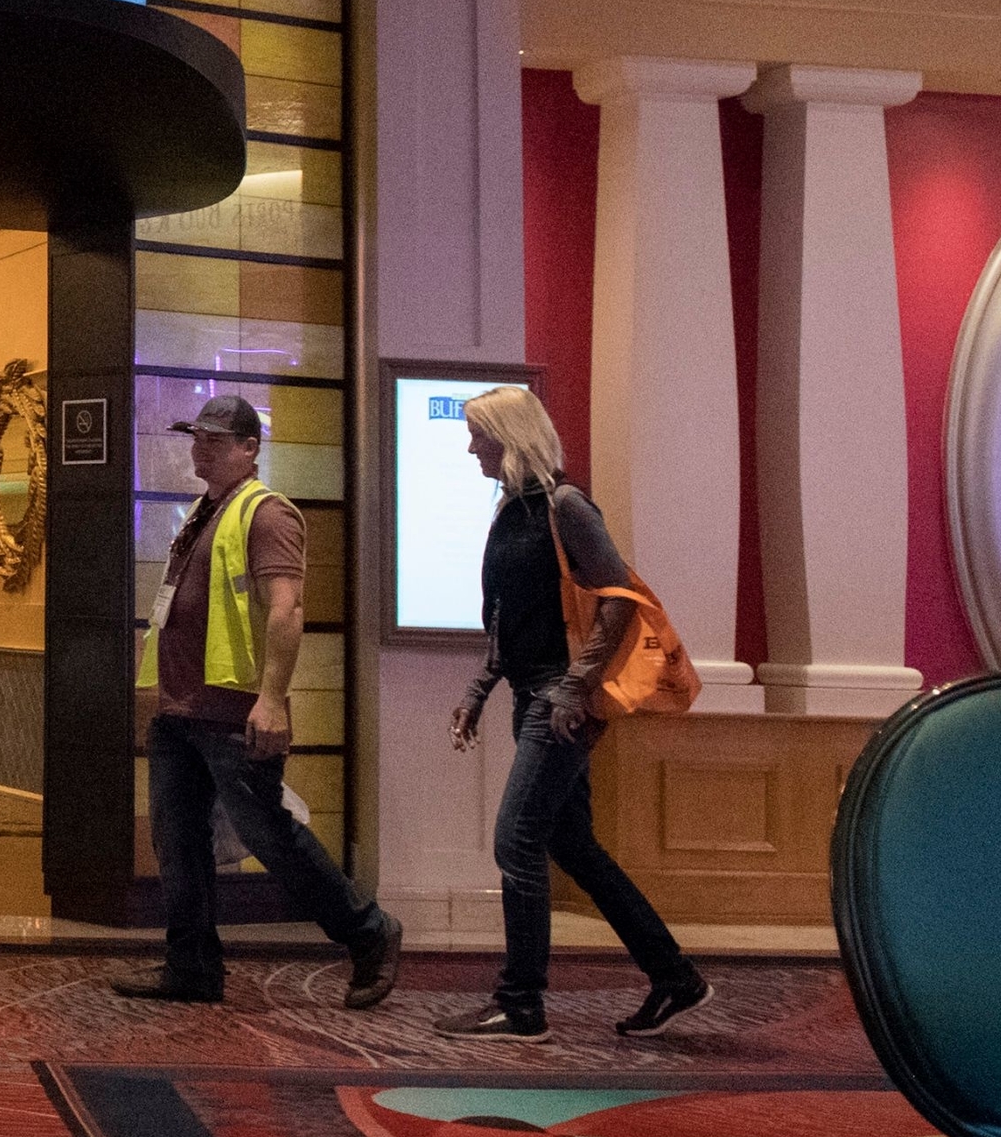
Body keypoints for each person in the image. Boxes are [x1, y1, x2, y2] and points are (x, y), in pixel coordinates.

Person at [115, 394, 404, 1009]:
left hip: (233, 710)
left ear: (250, 449)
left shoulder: (266, 514)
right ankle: (191, 966)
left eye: (216, 440)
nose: (201, 448)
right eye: (197, 437)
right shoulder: (203, 511)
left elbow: (287, 608)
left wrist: (271, 700)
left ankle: (369, 933)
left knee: (270, 836)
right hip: (181, 710)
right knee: (179, 840)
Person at [442, 385, 707, 1041]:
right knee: (571, 844)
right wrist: (478, 690)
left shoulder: (566, 506)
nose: (470, 445)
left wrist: (574, 686)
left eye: (480, 433)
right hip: (532, 693)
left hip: (560, 702)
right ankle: (673, 975)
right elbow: (508, 619)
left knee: (516, 838)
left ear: (510, 435)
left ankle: (522, 1002)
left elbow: (619, 598)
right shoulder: (512, 510)